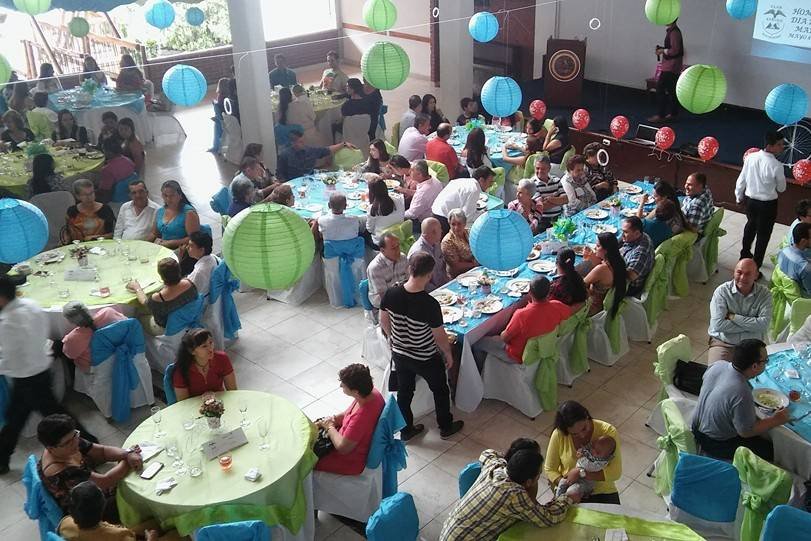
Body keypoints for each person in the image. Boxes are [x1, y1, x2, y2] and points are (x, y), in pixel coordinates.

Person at [0, 277, 97, 474]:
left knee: (51, 417)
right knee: (20, 417)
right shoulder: (31, 305)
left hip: (28, 378)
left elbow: (10, 358)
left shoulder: (8, 323)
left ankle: (91, 446)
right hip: (39, 370)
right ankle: (2, 457)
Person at [380, 252, 464, 440]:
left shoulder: (392, 293)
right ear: (430, 274)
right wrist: (448, 353)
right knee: (440, 390)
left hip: (400, 354)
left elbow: (383, 320)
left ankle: (406, 429)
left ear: (410, 269)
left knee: (404, 392)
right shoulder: (429, 304)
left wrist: (394, 338)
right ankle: (445, 426)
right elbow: (439, 336)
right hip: (425, 356)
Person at [440, 440, 576, 540]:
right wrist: (568, 497)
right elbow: (547, 518)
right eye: (538, 475)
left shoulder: (495, 467)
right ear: (529, 482)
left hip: (448, 532)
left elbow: (486, 453)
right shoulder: (514, 496)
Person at [692, 339, 789, 461]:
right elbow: (746, 432)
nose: (766, 363)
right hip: (714, 442)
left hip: (696, 426)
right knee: (773, 450)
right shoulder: (741, 391)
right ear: (754, 366)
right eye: (766, 361)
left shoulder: (718, 365)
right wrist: (775, 420)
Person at [37, 414, 139, 519]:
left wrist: (127, 454)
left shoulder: (70, 442)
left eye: (75, 435)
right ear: (50, 448)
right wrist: (128, 459)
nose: (75, 442)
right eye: (67, 442)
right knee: (135, 497)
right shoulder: (60, 471)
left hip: (94, 486)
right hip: (89, 510)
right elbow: (105, 482)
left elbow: (102, 451)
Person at [474, 276, 571, 363]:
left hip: (518, 355)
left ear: (529, 293)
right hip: (542, 349)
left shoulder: (521, 315)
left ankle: (479, 372)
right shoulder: (558, 306)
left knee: (476, 343)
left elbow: (504, 338)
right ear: (549, 292)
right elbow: (569, 313)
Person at [545, 401, 623, 504]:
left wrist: (580, 473)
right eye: (574, 434)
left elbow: (615, 472)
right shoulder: (559, 434)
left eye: (584, 428)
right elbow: (550, 469)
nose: (582, 435)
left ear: (586, 416)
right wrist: (567, 485)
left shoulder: (607, 432)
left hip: (602, 491)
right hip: (570, 490)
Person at [314, 364, 385, 474]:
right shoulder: (371, 394)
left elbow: (343, 448)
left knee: (308, 460)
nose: (340, 385)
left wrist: (329, 427)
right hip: (345, 438)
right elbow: (348, 414)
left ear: (355, 391)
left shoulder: (361, 418)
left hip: (348, 459)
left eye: (343, 384)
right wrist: (332, 419)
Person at [58, 481, 176, 541]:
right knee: (175, 534)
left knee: (155, 522)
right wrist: (152, 538)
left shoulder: (65, 524)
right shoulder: (119, 535)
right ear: (103, 507)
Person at [736, 131, 787, 271]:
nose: (782, 147)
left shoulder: (750, 157)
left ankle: (744, 254)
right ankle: (756, 264)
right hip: (768, 205)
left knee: (750, 227)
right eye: (779, 144)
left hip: (750, 201)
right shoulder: (777, 165)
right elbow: (781, 188)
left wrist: (738, 197)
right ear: (770, 146)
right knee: (763, 235)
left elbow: (741, 179)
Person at [707, 258, 771, 363]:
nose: (742, 277)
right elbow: (718, 325)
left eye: (748, 274)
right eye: (739, 272)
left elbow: (764, 324)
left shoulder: (764, 294)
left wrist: (733, 317)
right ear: (734, 272)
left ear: (756, 275)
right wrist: (752, 326)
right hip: (723, 343)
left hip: (752, 345)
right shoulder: (722, 291)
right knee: (716, 372)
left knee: (763, 372)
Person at [127, 257, 198, 332]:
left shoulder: (158, 298)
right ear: (179, 270)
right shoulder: (189, 283)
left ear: (161, 276)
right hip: (187, 318)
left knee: (137, 314)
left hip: (165, 328)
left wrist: (137, 288)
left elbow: (144, 302)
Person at [61, 302, 127, 373]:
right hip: (121, 356)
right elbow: (126, 323)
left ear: (70, 321)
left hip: (96, 368)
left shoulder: (73, 338)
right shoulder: (108, 312)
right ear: (87, 310)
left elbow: (70, 355)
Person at [172, 328, 236, 401]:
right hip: (195, 406)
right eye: (204, 346)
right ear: (192, 351)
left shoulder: (222, 358)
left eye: (211, 342)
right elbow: (183, 403)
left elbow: (233, 392)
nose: (210, 349)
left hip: (220, 403)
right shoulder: (181, 370)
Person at [431, 165, 495, 235]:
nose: (490, 185)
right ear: (482, 180)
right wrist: (483, 213)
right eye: (490, 182)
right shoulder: (474, 189)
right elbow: (468, 217)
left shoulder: (463, 180)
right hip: (443, 218)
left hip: (435, 210)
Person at [579, 233, 628, 317]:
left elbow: (581, 285)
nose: (595, 248)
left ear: (606, 250)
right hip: (605, 301)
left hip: (593, 306)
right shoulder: (619, 261)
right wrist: (592, 258)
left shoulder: (601, 269)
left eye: (598, 246)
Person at [554, 435, 616, 499]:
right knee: (562, 481)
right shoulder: (589, 451)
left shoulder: (600, 463)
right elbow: (583, 450)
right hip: (574, 476)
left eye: (597, 452)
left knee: (573, 490)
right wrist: (580, 452)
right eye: (593, 447)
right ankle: (557, 498)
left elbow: (587, 467)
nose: (593, 452)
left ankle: (564, 500)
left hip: (585, 484)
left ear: (606, 456)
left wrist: (579, 471)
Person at [276, 129, 350, 180]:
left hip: (311, 181)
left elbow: (327, 150)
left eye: (303, 141)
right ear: (292, 143)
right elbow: (280, 174)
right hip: (294, 183)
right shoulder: (285, 155)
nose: (303, 144)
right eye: (300, 142)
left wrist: (343, 144)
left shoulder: (309, 151)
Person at [648, 18, 684, 122]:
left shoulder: (674, 33)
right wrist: (662, 49)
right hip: (673, 66)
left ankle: (661, 115)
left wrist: (662, 50)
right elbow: (674, 49)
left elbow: (675, 50)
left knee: (660, 89)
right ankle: (673, 114)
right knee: (672, 91)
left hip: (671, 67)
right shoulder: (673, 31)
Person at [150, 180, 200, 250]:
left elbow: (194, 238)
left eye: (172, 195)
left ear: (180, 195)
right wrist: (142, 243)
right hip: (164, 248)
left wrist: (171, 243)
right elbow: (154, 233)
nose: (168, 199)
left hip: (183, 250)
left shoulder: (189, 213)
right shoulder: (160, 211)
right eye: (165, 195)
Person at [366, 232, 408, 308]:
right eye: (393, 248)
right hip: (384, 304)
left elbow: (409, 281)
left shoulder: (403, 258)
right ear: (382, 250)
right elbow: (384, 296)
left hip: (402, 297)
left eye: (398, 246)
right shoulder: (375, 268)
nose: (398, 250)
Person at [407, 217, 448, 292]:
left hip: (443, 287)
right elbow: (419, 281)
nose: (442, 231)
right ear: (433, 232)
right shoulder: (419, 252)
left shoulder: (436, 243)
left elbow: (442, 267)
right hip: (430, 292)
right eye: (440, 228)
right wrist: (439, 291)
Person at [619, 216, 654, 297]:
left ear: (637, 233)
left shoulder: (641, 252)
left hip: (630, 286)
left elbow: (631, 276)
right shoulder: (641, 235)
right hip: (625, 261)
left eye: (625, 232)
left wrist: (612, 263)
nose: (622, 235)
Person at [531, 155, 567, 230]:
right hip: (542, 221)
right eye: (537, 168)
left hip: (559, 218)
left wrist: (550, 199)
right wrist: (558, 200)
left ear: (549, 168)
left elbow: (565, 199)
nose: (540, 171)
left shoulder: (556, 180)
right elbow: (541, 207)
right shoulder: (532, 184)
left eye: (543, 169)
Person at [365, 178, 405, 246]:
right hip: (398, 234)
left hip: (381, 241)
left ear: (371, 192)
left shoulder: (373, 208)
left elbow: (369, 229)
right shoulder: (399, 200)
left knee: (363, 232)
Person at [404, 159, 443, 224]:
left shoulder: (423, 192)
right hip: (435, 214)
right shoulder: (436, 180)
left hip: (423, 221)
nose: (409, 171)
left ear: (419, 174)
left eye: (412, 170)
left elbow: (412, 214)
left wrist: (399, 216)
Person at [441, 209, 478, 278]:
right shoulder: (447, 241)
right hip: (458, 276)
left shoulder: (469, 232)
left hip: (474, 270)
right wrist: (475, 264)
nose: (456, 227)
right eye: (453, 224)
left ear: (464, 223)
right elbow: (456, 266)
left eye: (459, 223)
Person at [98, 137, 136, 202]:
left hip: (115, 196)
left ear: (108, 152)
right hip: (128, 192)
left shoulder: (107, 169)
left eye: (103, 150)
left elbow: (105, 190)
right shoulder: (128, 161)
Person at [778, 222, 811, 296]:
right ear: (803, 241)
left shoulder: (782, 251)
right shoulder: (806, 268)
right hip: (803, 297)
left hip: (788, 291)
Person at [185, 230, 218, 296]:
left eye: (191, 246)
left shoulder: (198, 272)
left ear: (201, 250)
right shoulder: (214, 257)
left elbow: (187, 293)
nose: (187, 247)